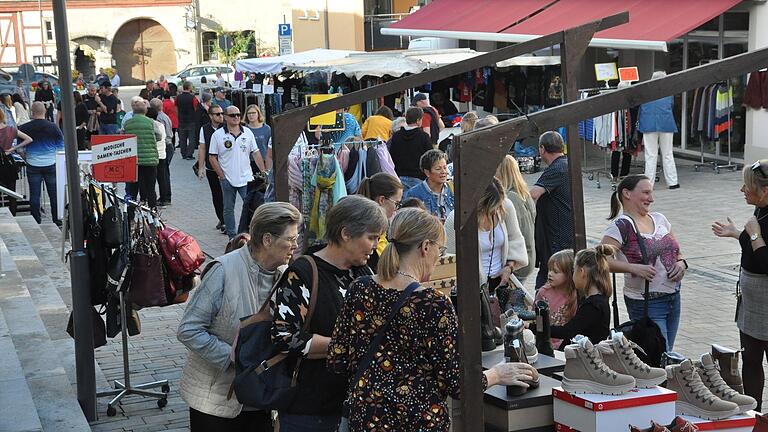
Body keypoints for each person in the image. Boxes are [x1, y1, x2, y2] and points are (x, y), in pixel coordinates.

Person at [327, 208, 539, 431]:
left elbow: (336, 359)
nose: (440, 256)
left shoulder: (360, 288)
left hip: (364, 419)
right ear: (425, 247)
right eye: (441, 249)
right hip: (417, 422)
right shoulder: (433, 304)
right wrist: (497, 374)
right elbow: (456, 384)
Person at [178, 202, 302, 432]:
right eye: (291, 239)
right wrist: (236, 357)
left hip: (261, 399)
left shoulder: (285, 275)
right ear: (267, 240)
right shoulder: (223, 271)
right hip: (215, 400)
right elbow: (189, 330)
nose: (295, 246)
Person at [271, 195, 389, 432]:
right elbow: (285, 338)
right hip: (310, 409)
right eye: (371, 237)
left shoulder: (362, 273)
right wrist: (347, 345)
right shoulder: (303, 273)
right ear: (346, 234)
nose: (376, 245)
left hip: (355, 404)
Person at [601, 175, 685, 351]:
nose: (651, 198)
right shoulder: (622, 225)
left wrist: (682, 263)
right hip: (647, 303)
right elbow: (600, 260)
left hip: (673, 297)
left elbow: (677, 251)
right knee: (660, 355)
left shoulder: (660, 218)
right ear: (627, 194)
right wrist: (632, 268)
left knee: (666, 354)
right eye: (646, 193)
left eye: (651, 193)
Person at [712, 161, 768, 410]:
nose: (741, 190)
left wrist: (753, 233)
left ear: (764, 190)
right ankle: (753, 414)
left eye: (747, 186)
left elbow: (766, 261)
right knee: (751, 360)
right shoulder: (761, 209)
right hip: (752, 302)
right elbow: (756, 249)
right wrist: (739, 234)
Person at [208, 105, 266, 238]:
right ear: (226, 117)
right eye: (233, 115)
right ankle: (232, 236)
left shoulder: (247, 132)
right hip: (227, 178)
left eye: (238, 115)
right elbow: (212, 157)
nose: (236, 118)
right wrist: (222, 176)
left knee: (253, 207)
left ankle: (251, 234)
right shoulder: (218, 135)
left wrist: (263, 171)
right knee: (228, 209)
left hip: (246, 178)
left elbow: (256, 153)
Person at [549, 245, 616, 349]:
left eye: (573, 270)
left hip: (586, 358)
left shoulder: (593, 305)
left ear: (582, 272)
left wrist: (534, 327)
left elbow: (568, 331)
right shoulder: (598, 299)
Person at [530, 131, 573, 289]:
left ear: (542, 149)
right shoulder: (567, 163)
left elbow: (533, 194)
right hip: (562, 234)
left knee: (547, 282)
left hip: (556, 237)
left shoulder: (557, 168)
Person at [17, 102, 63, 224]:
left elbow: (20, 149)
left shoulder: (24, 128)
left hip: (33, 164)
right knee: (54, 194)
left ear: (32, 112)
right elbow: (61, 147)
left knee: (34, 194)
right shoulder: (53, 127)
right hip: (51, 164)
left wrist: (26, 158)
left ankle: (36, 220)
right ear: (44, 111)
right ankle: (57, 220)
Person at [496, 155, 536, 280]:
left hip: (518, 261)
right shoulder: (524, 193)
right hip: (527, 255)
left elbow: (516, 232)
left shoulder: (511, 198)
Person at [355, 172, 404, 270]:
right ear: (381, 200)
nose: (396, 209)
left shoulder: (383, 230)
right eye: (397, 203)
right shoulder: (365, 231)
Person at [638, 71, 679, 189]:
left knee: (651, 155)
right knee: (667, 153)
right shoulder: (668, 92)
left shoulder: (645, 92)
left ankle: (649, 184)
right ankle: (673, 182)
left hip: (648, 125)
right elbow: (671, 105)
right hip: (666, 124)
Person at [534, 249, 577, 349]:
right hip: (542, 341)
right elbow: (535, 319)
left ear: (569, 274)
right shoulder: (543, 292)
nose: (550, 274)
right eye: (549, 270)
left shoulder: (574, 296)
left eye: (556, 271)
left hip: (564, 344)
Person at [123, 96, 159, 208]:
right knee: (150, 189)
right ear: (145, 111)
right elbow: (159, 136)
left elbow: (124, 138)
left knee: (133, 190)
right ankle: (153, 214)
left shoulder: (127, 123)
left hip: (133, 161)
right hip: (150, 160)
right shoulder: (151, 122)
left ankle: (130, 215)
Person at [402, 149, 454, 221]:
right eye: (438, 169)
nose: (444, 172)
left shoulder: (453, 188)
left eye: (445, 167)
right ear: (427, 172)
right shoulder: (414, 194)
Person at [389, 107, 433, 190]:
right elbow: (429, 158)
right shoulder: (423, 137)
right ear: (418, 120)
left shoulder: (396, 136)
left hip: (400, 178)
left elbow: (391, 156)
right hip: (419, 178)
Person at [197, 104, 225, 233]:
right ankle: (222, 218)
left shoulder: (226, 127)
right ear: (210, 116)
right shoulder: (205, 129)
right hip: (211, 168)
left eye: (222, 113)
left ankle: (226, 220)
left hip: (226, 167)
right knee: (217, 195)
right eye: (217, 114)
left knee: (227, 194)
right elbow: (202, 147)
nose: (221, 116)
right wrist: (201, 167)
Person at [0, 108, 32, 215]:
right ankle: (12, 214)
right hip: (9, 162)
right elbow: (29, 139)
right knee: (12, 192)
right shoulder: (11, 129)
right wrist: (14, 149)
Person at [150, 98, 173, 205]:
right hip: (168, 144)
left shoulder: (158, 119)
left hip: (164, 146)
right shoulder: (165, 116)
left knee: (162, 175)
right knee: (164, 174)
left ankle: (165, 197)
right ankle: (165, 196)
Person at [146, 107, 169, 208]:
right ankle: (164, 198)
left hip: (153, 154)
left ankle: (152, 198)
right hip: (162, 154)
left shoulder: (150, 125)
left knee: (151, 178)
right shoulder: (161, 125)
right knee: (162, 178)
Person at [177, 81, 199, 160]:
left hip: (181, 119)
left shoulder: (178, 97)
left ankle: (183, 153)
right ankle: (189, 154)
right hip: (191, 120)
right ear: (189, 87)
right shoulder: (193, 98)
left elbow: (176, 107)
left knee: (182, 138)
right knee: (191, 138)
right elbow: (196, 108)